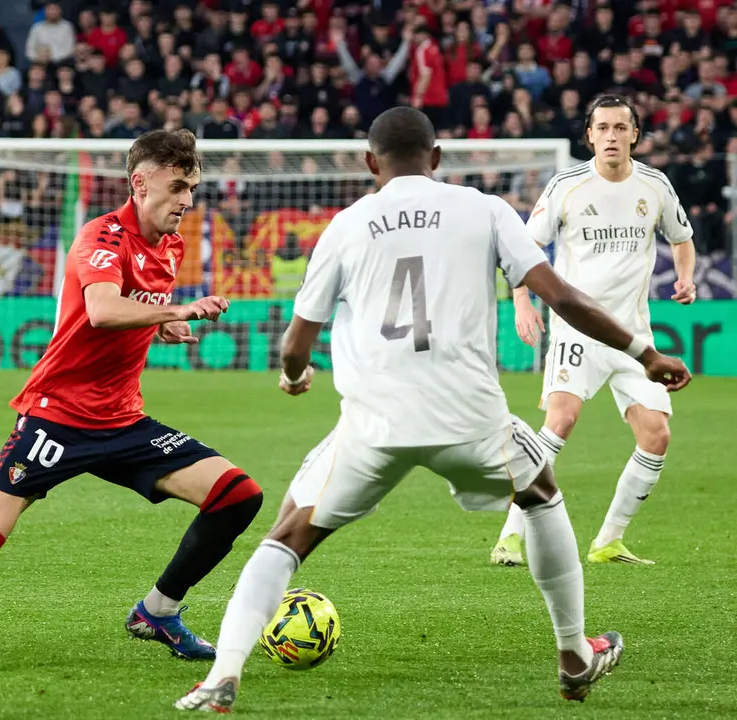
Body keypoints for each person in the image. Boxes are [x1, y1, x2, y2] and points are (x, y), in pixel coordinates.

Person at [174, 107, 691, 712]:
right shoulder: (485, 208)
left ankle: (223, 675)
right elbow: (563, 297)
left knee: (288, 535)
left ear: (371, 164)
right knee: (541, 493)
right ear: (438, 156)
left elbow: (295, 341)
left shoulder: (347, 224)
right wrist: (643, 351)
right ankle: (575, 653)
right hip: (472, 419)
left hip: (374, 423)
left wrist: (295, 377)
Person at [0, 129, 265, 665]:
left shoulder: (170, 245)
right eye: (177, 187)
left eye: (192, 188)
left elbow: (127, 315)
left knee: (238, 495)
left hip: (124, 422)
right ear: (139, 182)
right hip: (55, 420)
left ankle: (157, 611)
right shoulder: (101, 238)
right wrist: (177, 311)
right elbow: (104, 310)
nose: (188, 201)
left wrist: (159, 328)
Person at [491, 94, 696, 568]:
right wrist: (522, 300)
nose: (610, 136)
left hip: (634, 338)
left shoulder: (656, 185)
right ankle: (510, 537)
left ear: (634, 135)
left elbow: (682, 240)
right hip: (576, 329)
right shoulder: (566, 186)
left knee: (656, 435)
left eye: (620, 128)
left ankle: (608, 541)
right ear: (589, 136)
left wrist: (686, 277)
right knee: (560, 422)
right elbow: (523, 248)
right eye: (602, 128)